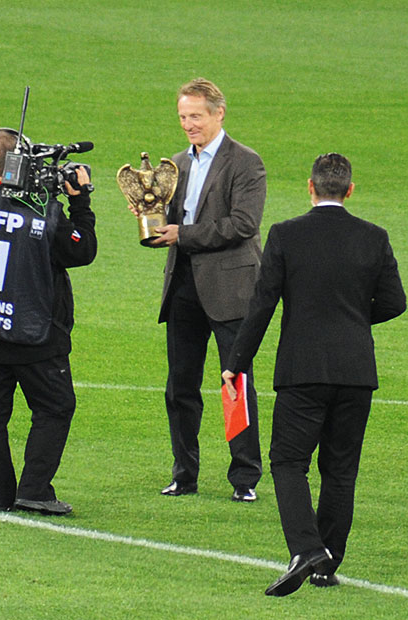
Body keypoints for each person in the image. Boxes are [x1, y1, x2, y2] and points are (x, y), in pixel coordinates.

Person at [222, 153, 406, 596]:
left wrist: (236, 361)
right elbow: (395, 302)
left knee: (288, 462)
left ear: (310, 187)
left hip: (302, 370)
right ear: (349, 190)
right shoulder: (374, 237)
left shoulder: (286, 235)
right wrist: (355, 321)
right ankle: (327, 563)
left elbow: (263, 303)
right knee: (341, 469)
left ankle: (306, 549)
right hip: (356, 370)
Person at [0, 128, 97, 515]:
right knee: (56, 407)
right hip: (36, 337)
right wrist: (78, 202)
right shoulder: (44, 210)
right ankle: (34, 488)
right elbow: (81, 250)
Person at [142, 78, 266, 502]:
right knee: (179, 386)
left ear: (218, 114)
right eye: (182, 117)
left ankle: (245, 477)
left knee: (235, 384)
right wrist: (149, 216)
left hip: (230, 288)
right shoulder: (175, 163)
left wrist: (183, 234)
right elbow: (168, 221)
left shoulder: (246, 163)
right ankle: (184, 474)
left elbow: (244, 225)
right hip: (183, 286)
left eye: (195, 116)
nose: (188, 125)